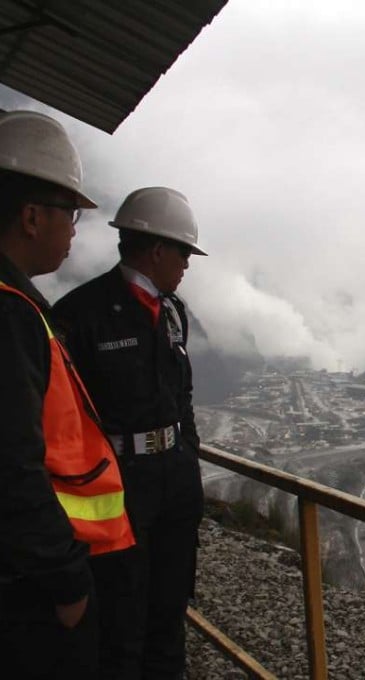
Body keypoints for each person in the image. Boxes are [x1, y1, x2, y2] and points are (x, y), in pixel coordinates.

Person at [0, 110, 135, 679]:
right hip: (28, 587)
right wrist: (67, 579)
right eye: (71, 214)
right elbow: (12, 464)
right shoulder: (11, 314)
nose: (75, 230)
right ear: (32, 216)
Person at [53, 187, 207, 679]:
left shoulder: (173, 311)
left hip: (171, 482)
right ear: (157, 248)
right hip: (118, 486)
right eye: (183, 251)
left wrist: (187, 460)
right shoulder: (81, 313)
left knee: (168, 607)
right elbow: (66, 417)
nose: (187, 263)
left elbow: (180, 397)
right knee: (122, 613)